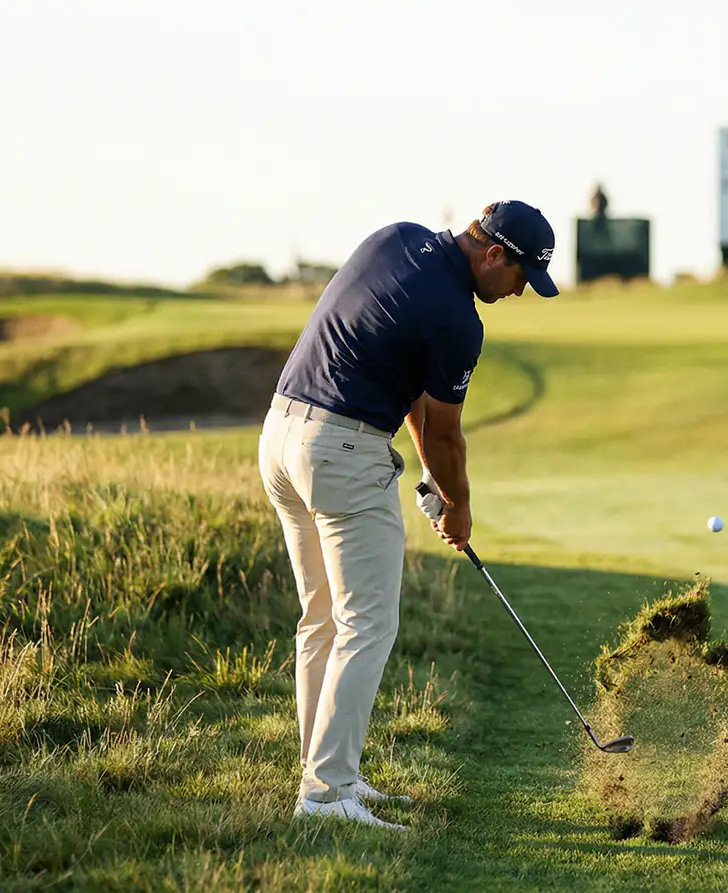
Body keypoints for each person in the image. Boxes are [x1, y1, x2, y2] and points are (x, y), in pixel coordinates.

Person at [258, 200, 559, 831]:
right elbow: (446, 434)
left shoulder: (396, 239)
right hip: (341, 451)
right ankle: (326, 794)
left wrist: (433, 486)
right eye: (520, 278)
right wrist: (460, 506)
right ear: (494, 254)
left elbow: (419, 399)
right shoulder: (458, 317)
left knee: (322, 618)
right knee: (367, 623)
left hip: (281, 437)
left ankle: (326, 776)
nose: (517, 293)